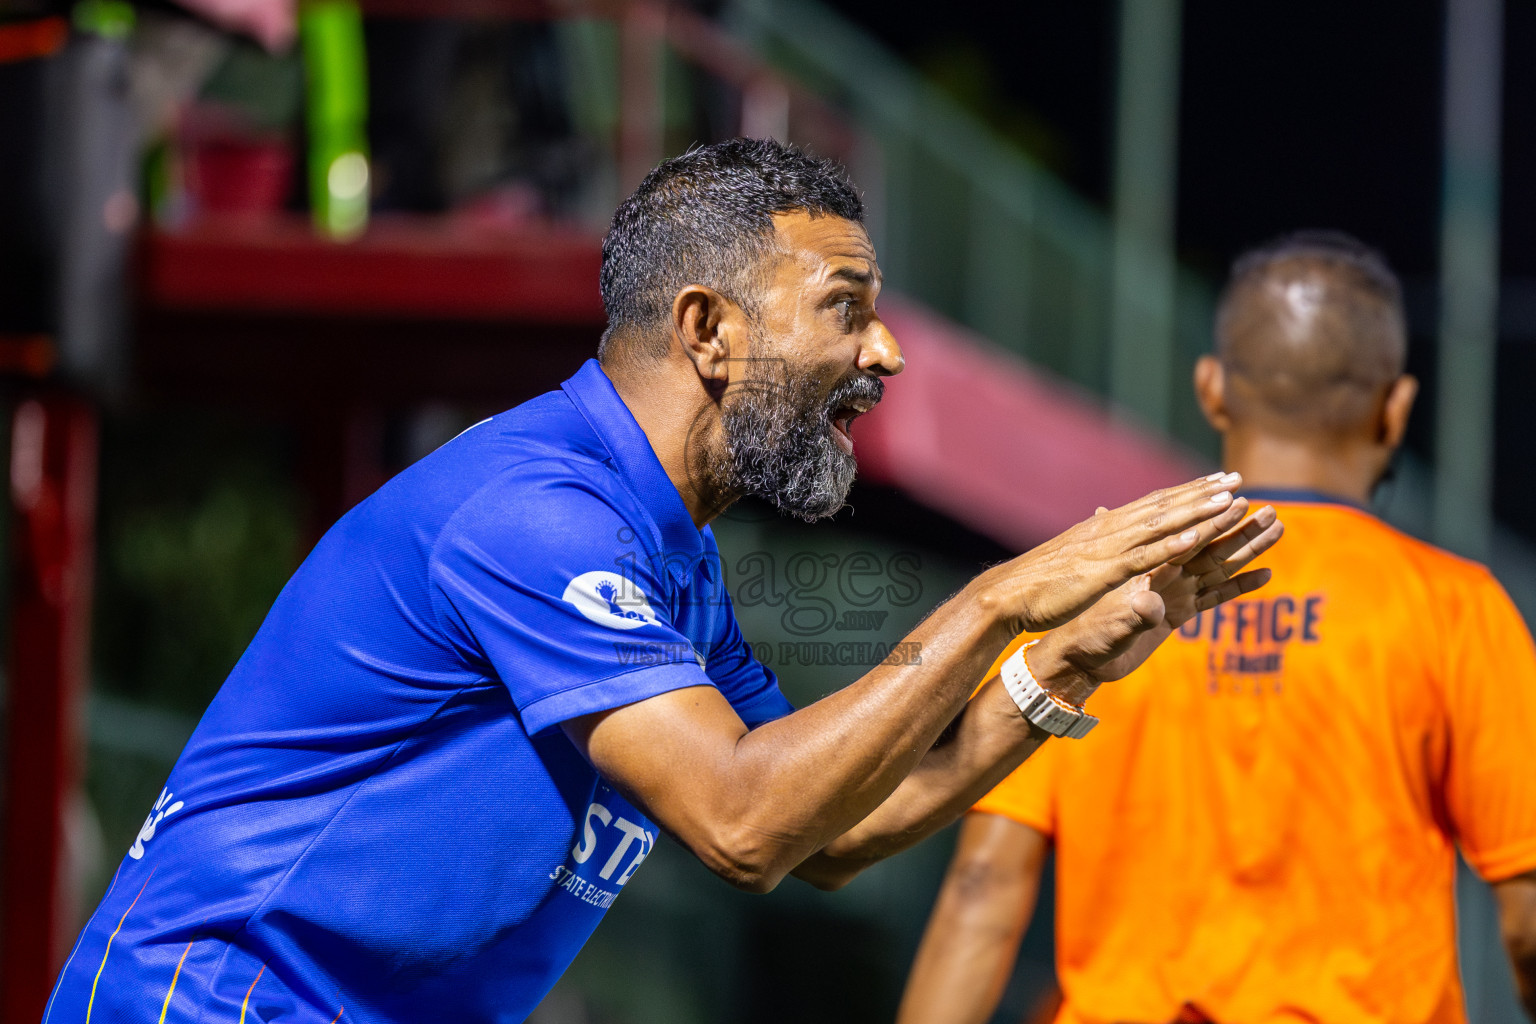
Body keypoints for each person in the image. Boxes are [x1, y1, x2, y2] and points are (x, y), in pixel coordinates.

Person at [45, 139, 1280, 1024]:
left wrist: (1055, 667)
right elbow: (742, 824)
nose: (887, 351)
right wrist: (1000, 597)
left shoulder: (669, 565)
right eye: (845, 306)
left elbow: (827, 831)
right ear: (708, 330)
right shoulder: (533, 515)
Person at [897, 231, 1536, 1024]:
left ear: (1211, 388)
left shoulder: (1087, 595)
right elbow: (1528, 916)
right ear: (1396, 408)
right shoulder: (1456, 607)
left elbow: (982, 888)